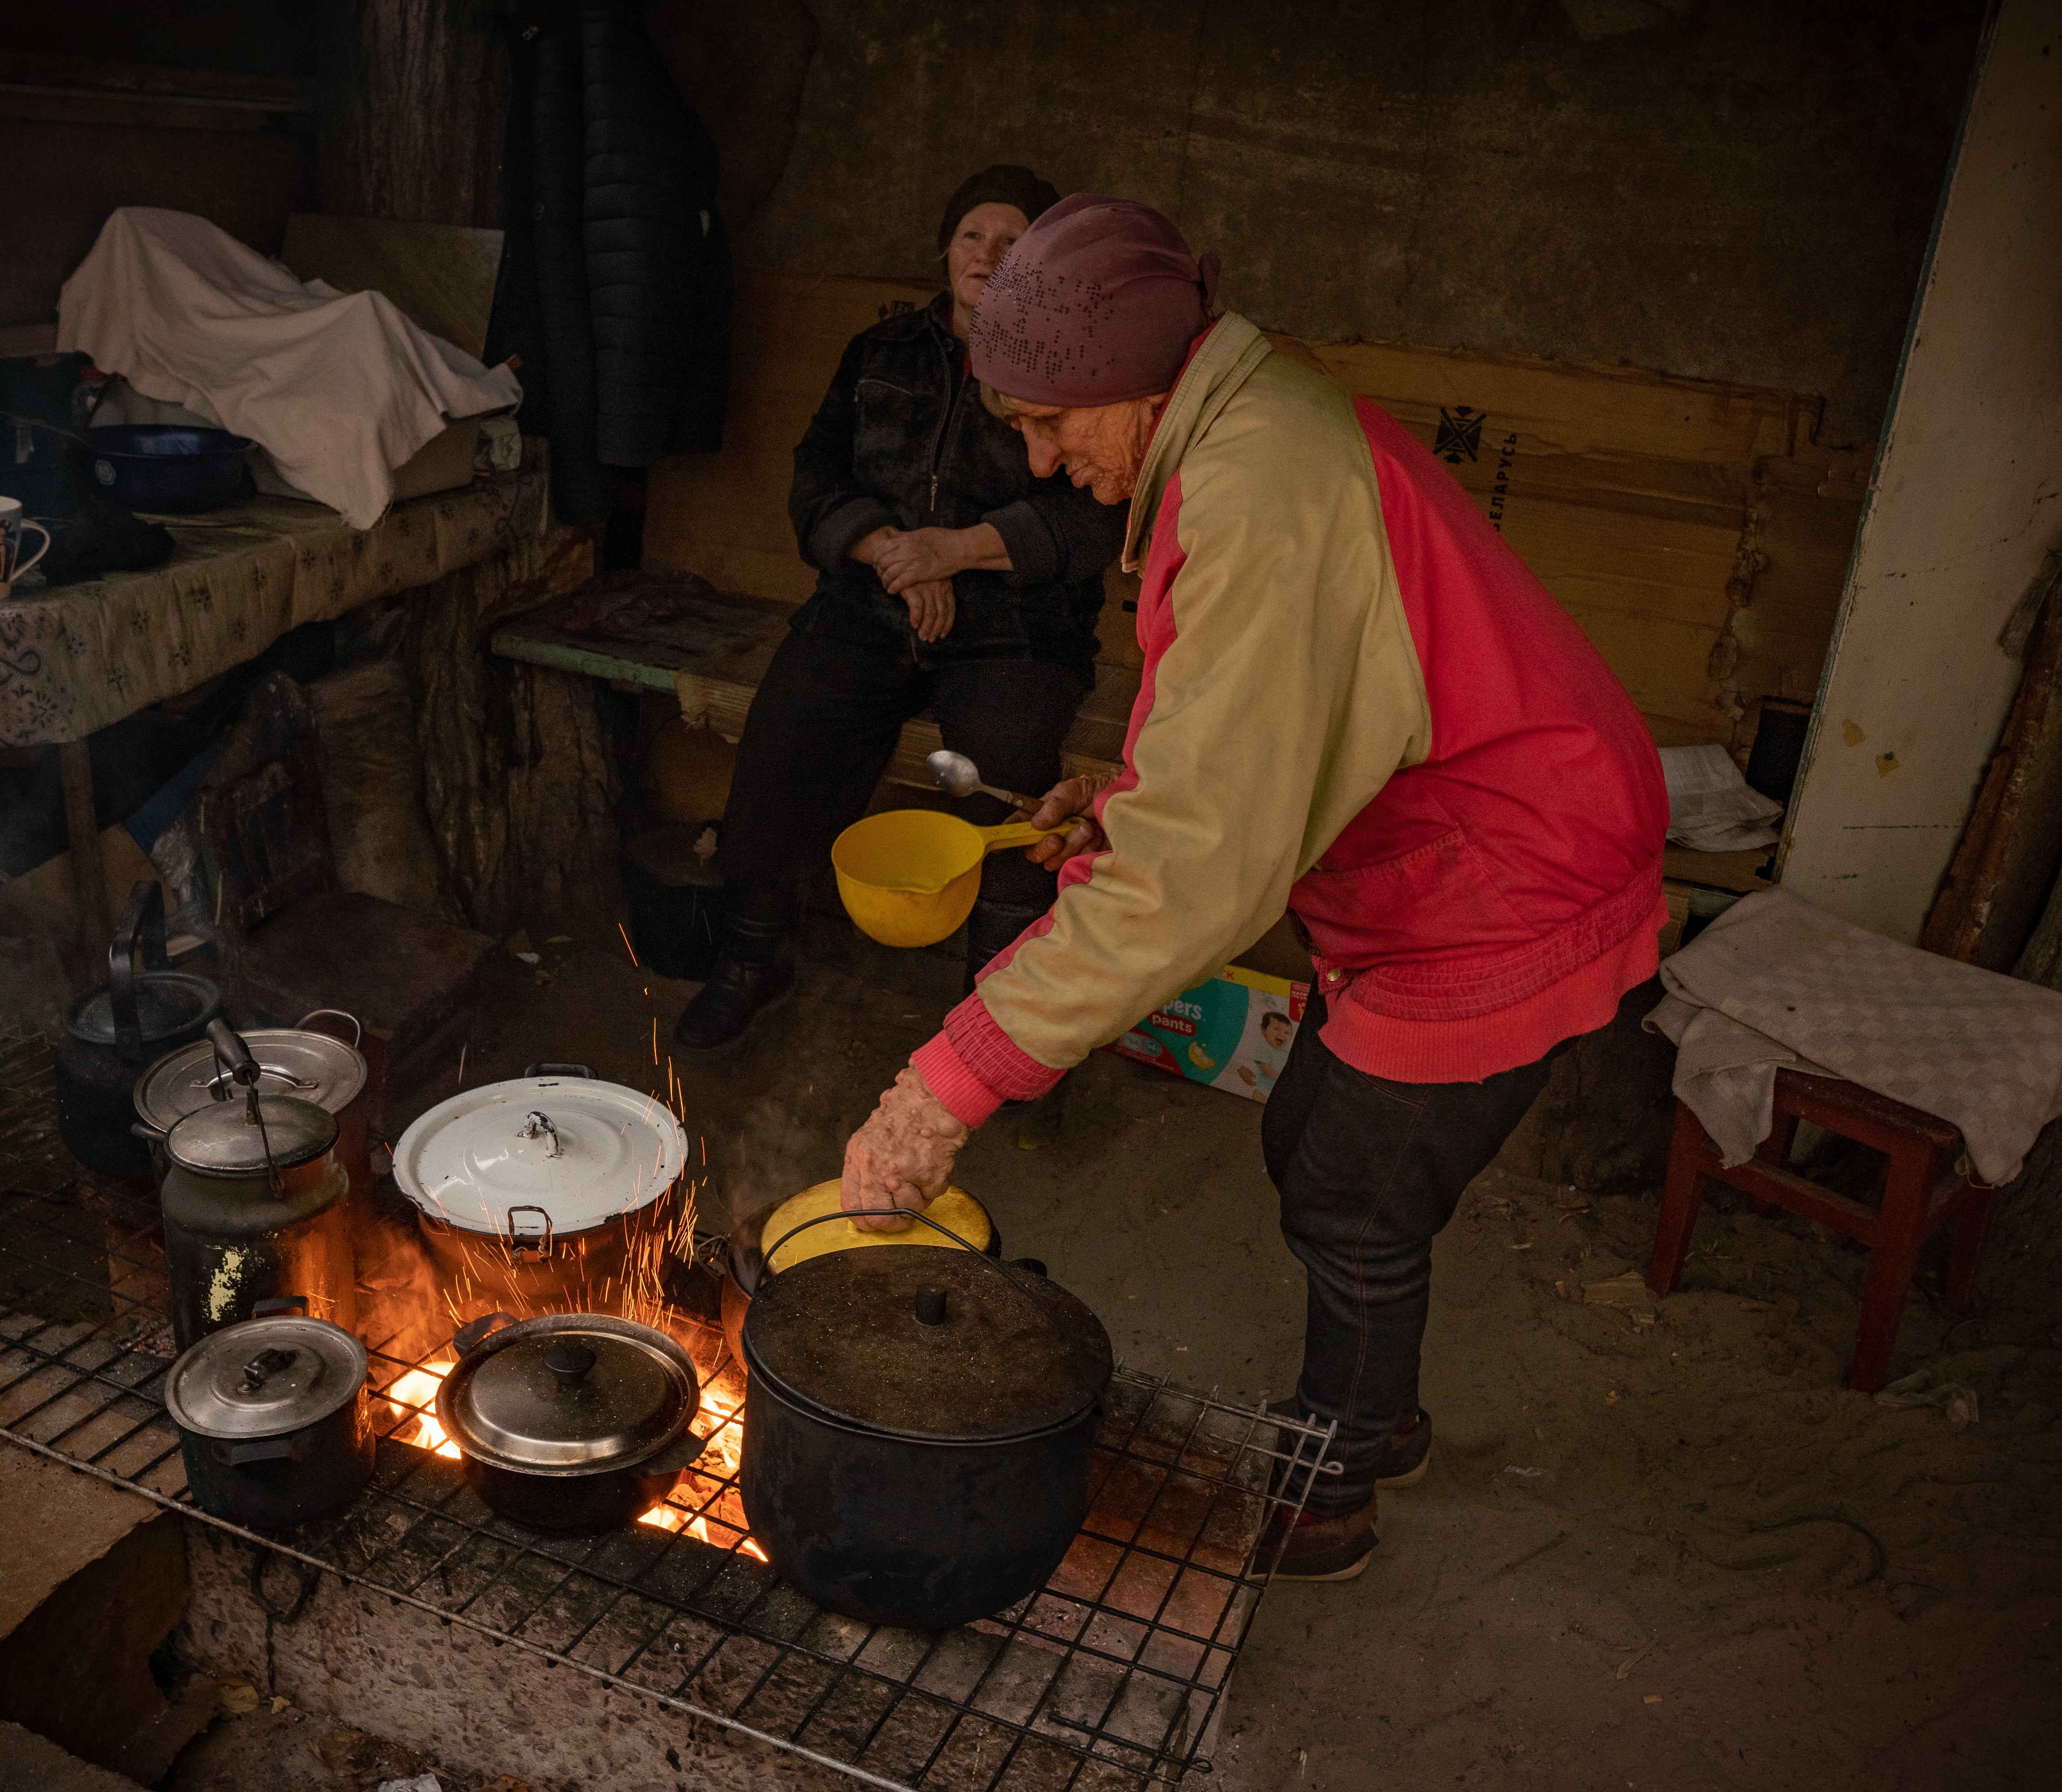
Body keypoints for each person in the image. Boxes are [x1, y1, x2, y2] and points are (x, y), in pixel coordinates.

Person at [834, 195, 1669, 1581]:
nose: (1042, 459)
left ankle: (1338, 1479)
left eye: (1052, 427)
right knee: (1318, 1150)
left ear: (1142, 385)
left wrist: (944, 1084)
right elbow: (1287, 719)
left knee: (1347, 1188)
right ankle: (1376, 1410)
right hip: (1463, 832)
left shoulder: (1261, 486)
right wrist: (1128, 800)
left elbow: (1193, 880)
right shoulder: (1239, 419)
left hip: (1508, 874)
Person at [677, 166, 1128, 1050]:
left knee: (1010, 778)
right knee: (788, 734)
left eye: (1012, 242)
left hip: (1017, 625)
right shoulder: (879, 353)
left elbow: (1090, 517)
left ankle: (1004, 1018)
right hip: (872, 600)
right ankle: (754, 956)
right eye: (972, 236)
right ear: (944, 250)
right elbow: (817, 475)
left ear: (1041, 265)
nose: (988, 255)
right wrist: (891, 552)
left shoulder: (1075, 369)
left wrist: (954, 552)